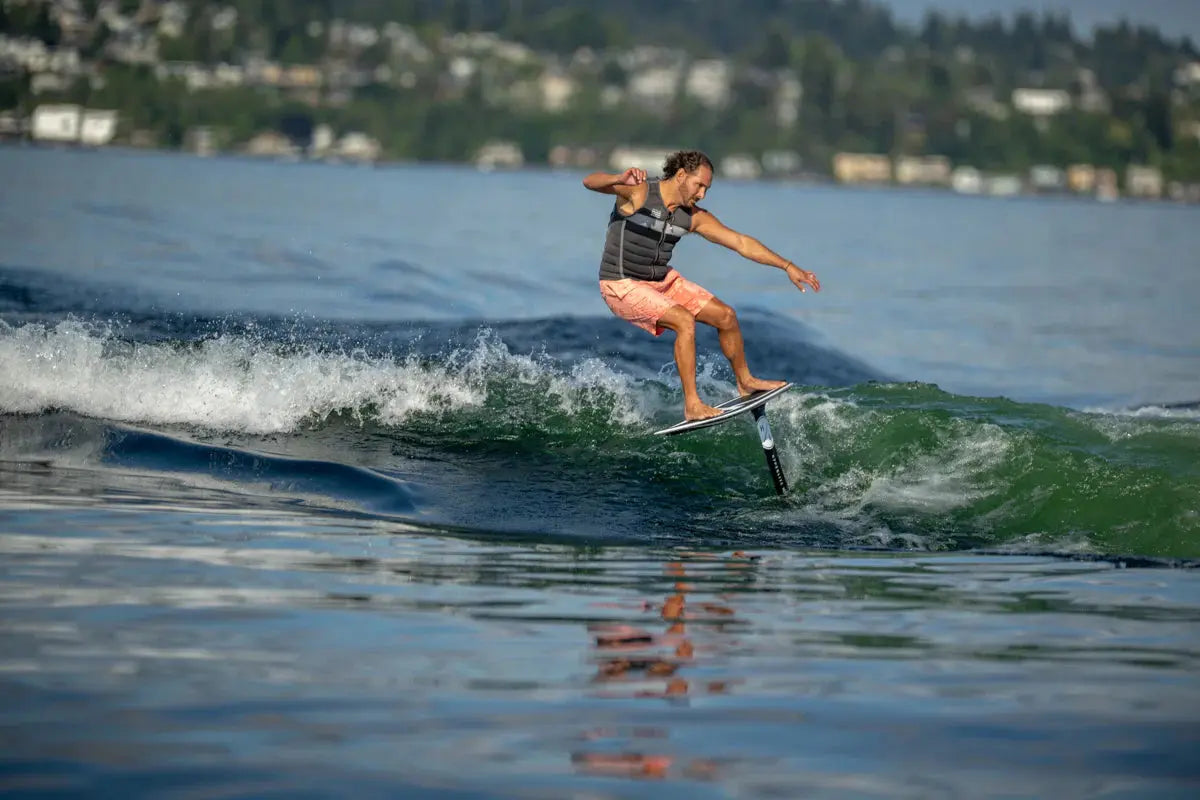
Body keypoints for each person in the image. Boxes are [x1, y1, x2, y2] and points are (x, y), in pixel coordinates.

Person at [584, 150, 820, 420]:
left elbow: (741, 242)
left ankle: (745, 382)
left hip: (661, 281)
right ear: (681, 175)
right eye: (699, 186)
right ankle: (692, 405)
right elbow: (590, 181)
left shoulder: (692, 216)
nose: (702, 194)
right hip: (621, 284)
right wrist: (618, 178)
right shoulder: (639, 191)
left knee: (726, 316)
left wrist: (787, 266)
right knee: (684, 320)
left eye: (707, 189)